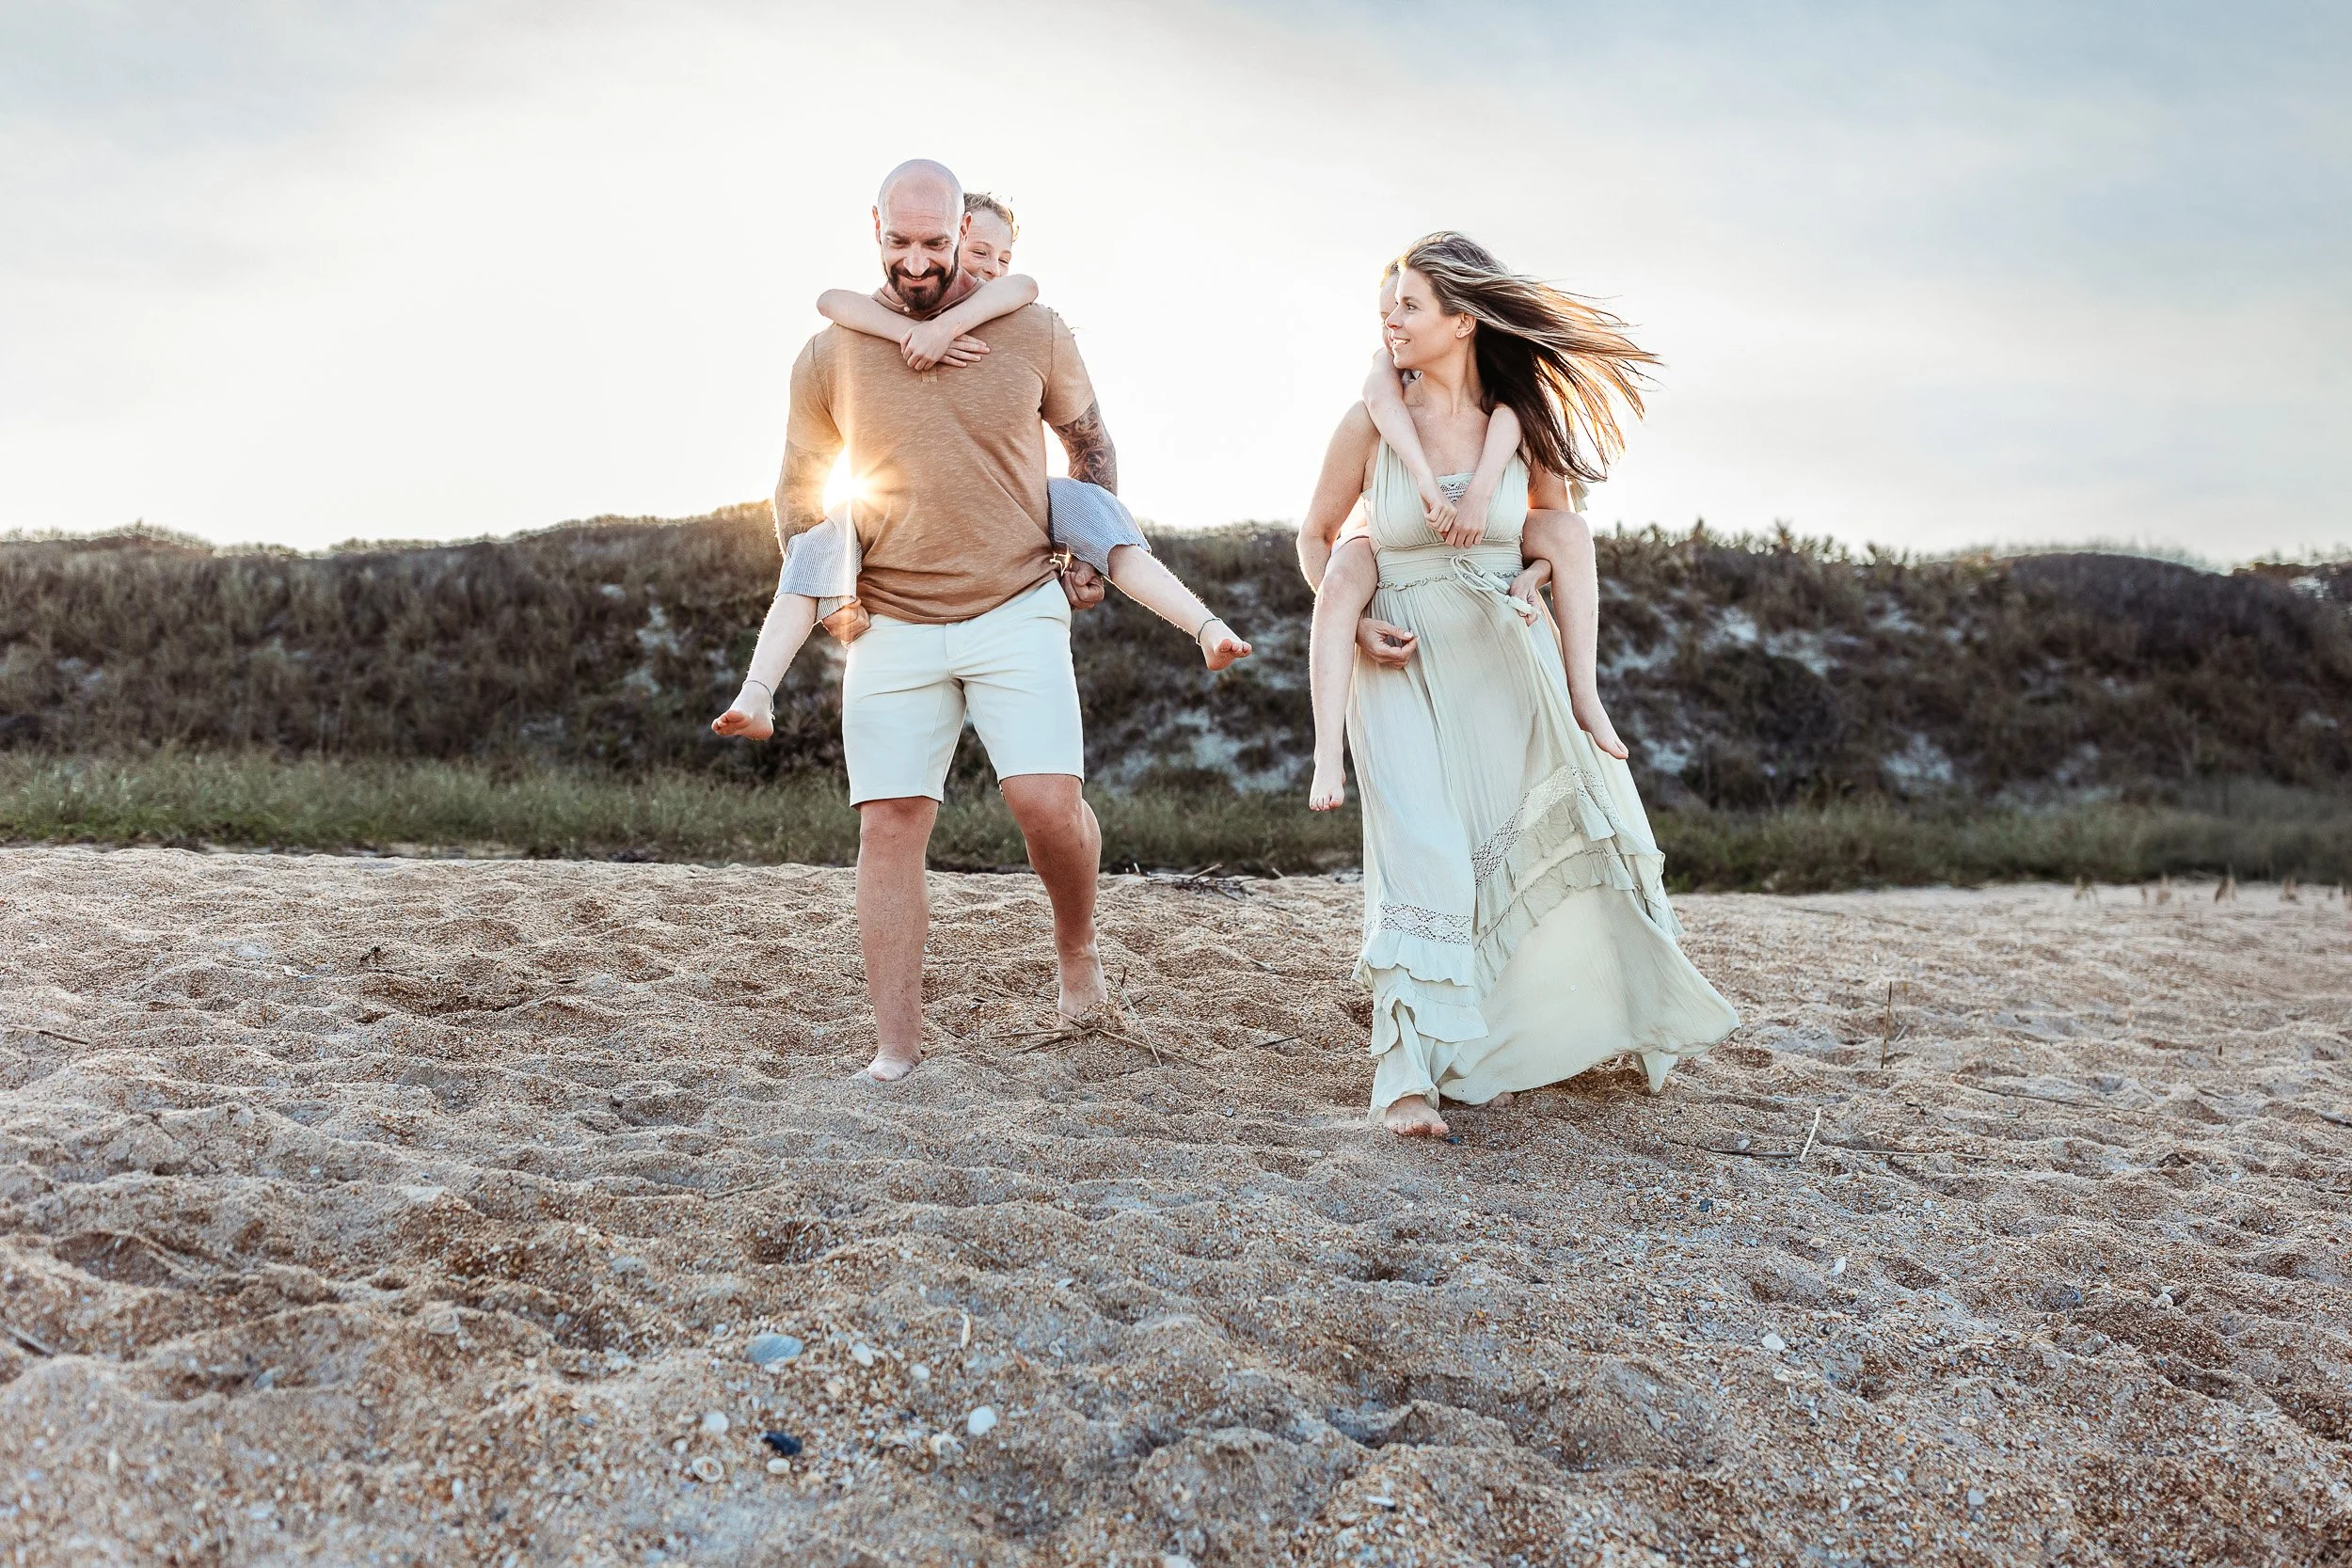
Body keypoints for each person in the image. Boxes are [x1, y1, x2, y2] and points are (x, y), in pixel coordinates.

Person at [1296, 232, 1739, 1137]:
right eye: (1388, 303)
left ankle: (1490, 1041)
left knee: (1506, 847)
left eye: (1410, 303)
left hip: (1503, 659)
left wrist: (1534, 581)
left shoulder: (1519, 422)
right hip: (1402, 664)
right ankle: (1406, 1079)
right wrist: (1348, 605)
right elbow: (1315, 539)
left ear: (1462, 322)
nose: (1391, 318)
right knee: (1419, 853)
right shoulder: (1367, 423)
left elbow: (1558, 532)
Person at [761, 158, 1126, 1083]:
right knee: (888, 819)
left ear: (963, 232)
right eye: (899, 241)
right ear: (873, 228)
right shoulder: (829, 352)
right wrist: (824, 583)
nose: (916, 261)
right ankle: (895, 1054)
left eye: (934, 242)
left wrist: (1092, 548)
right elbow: (801, 483)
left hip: (1017, 601)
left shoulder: (1032, 332)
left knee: (1045, 806)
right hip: (890, 616)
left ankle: (1075, 945)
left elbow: (1089, 443)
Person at [715, 191, 1249, 744]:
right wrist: (913, 332)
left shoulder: (1020, 314)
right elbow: (831, 299)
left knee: (1109, 527)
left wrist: (947, 329)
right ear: (953, 242)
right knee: (815, 551)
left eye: (1003, 258)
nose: (993, 269)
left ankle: (1205, 624)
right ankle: (757, 691)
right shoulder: (868, 325)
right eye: (980, 254)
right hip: (891, 558)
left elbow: (1027, 291)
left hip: (1023, 517)